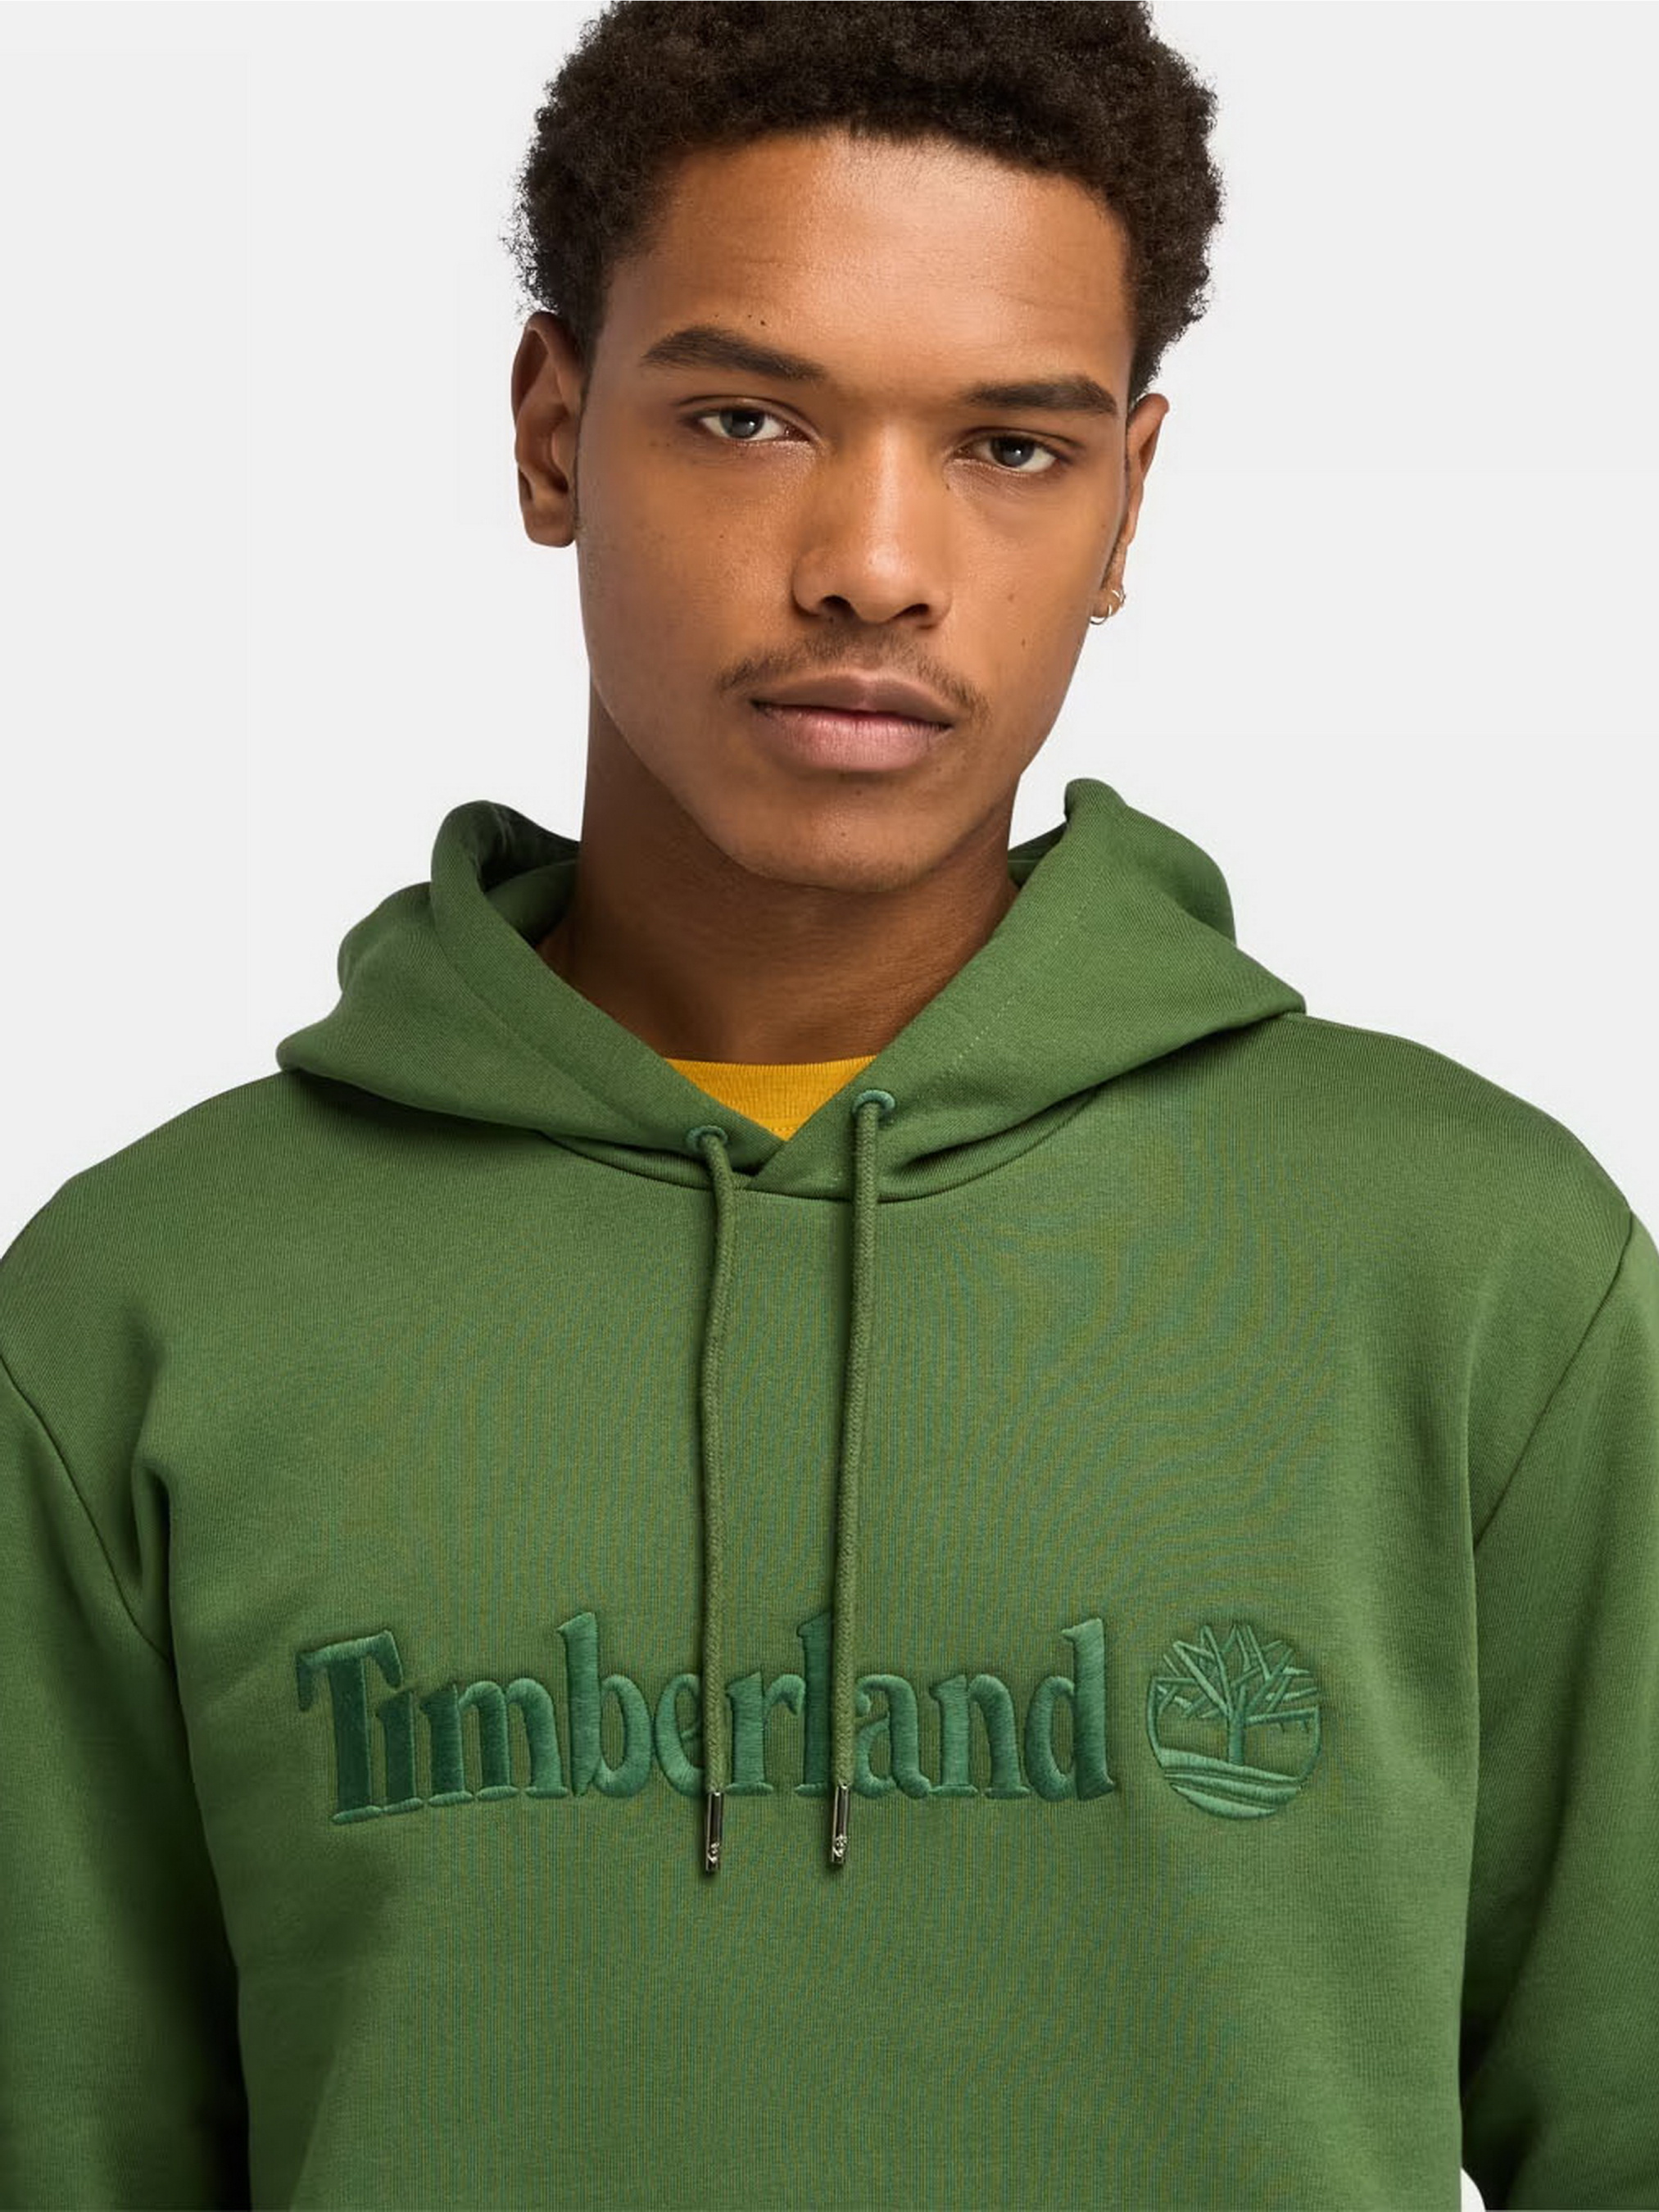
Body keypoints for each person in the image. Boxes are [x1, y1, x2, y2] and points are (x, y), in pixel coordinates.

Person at [2, 2, 1654, 2206]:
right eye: (748, 416)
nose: (874, 561)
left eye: (1010, 446)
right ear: (553, 433)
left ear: (1129, 499)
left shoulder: (1476, 1272)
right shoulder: (145, 1308)